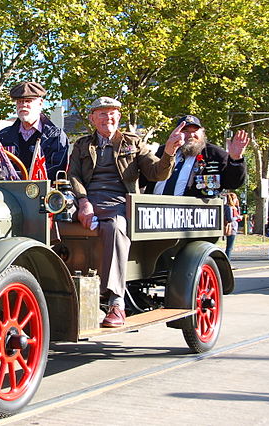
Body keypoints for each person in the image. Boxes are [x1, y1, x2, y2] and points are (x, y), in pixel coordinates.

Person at [68, 96, 183, 328]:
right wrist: (83, 201)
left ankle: (115, 302)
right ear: (92, 118)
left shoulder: (133, 142)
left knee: (115, 227)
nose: (107, 118)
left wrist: (169, 152)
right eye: (101, 113)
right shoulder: (81, 145)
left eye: (112, 113)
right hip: (86, 202)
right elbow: (73, 175)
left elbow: (156, 173)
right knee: (52, 226)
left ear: (118, 117)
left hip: (119, 203)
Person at [144, 115, 249, 197]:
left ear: (202, 132)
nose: (190, 135)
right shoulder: (164, 150)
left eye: (195, 131)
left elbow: (233, 183)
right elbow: (145, 177)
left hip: (193, 216)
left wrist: (236, 159)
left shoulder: (214, 154)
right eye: (185, 131)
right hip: (155, 214)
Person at [0, 81, 68, 181]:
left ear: (40, 103)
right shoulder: (4, 136)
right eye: (19, 101)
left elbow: (56, 169)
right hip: (7, 191)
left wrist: (22, 179)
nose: (23, 105)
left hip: (41, 192)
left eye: (28, 101)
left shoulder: (55, 136)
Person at [224, 193, 241, 259]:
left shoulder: (231, 207)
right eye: (236, 198)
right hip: (231, 228)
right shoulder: (229, 208)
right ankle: (227, 262)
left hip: (232, 228)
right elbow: (230, 219)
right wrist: (237, 217)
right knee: (229, 248)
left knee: (229, 247)